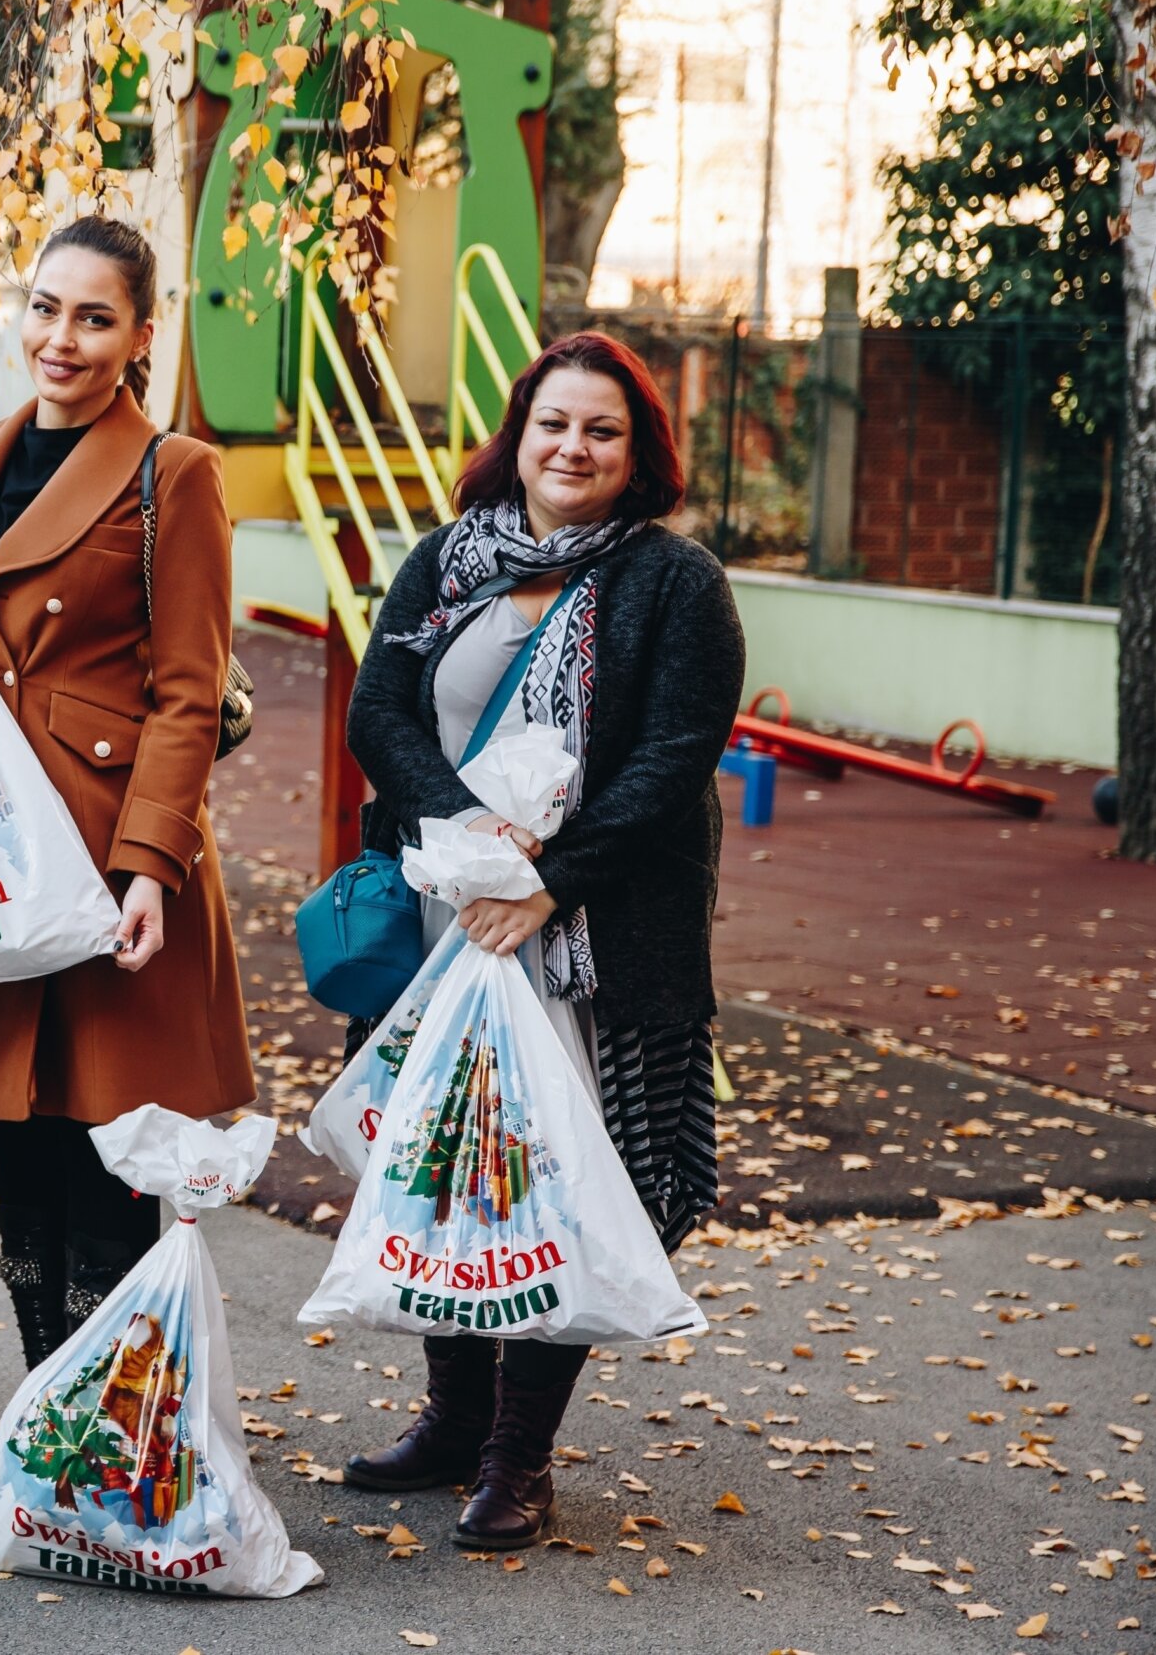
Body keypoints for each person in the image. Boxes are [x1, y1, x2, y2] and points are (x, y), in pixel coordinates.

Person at [339, 332, 745, 1548]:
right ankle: (452, 1422)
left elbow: (674, 761)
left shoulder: (677, 585)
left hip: (595, 938)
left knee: (559, 1184)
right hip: (447, 919)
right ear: (517, 435)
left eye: (601, 431)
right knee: (452, 1169)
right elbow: (379, 713)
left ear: (639, 454)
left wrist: (547, 881)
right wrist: (471, 840)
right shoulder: (450, 563)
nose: (572, 448)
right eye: (553, 423)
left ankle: (519, 1457)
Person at [0, 215, 255, 1370]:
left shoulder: (173, 472)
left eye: (94, 317)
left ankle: (116, 1438)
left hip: (105, 858)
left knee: (109, 1166)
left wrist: (151, 864)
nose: (62, 337)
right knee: (24, 1161)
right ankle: (47, 1429)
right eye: (46, 307)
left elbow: (190, 693)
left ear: (140, 335)